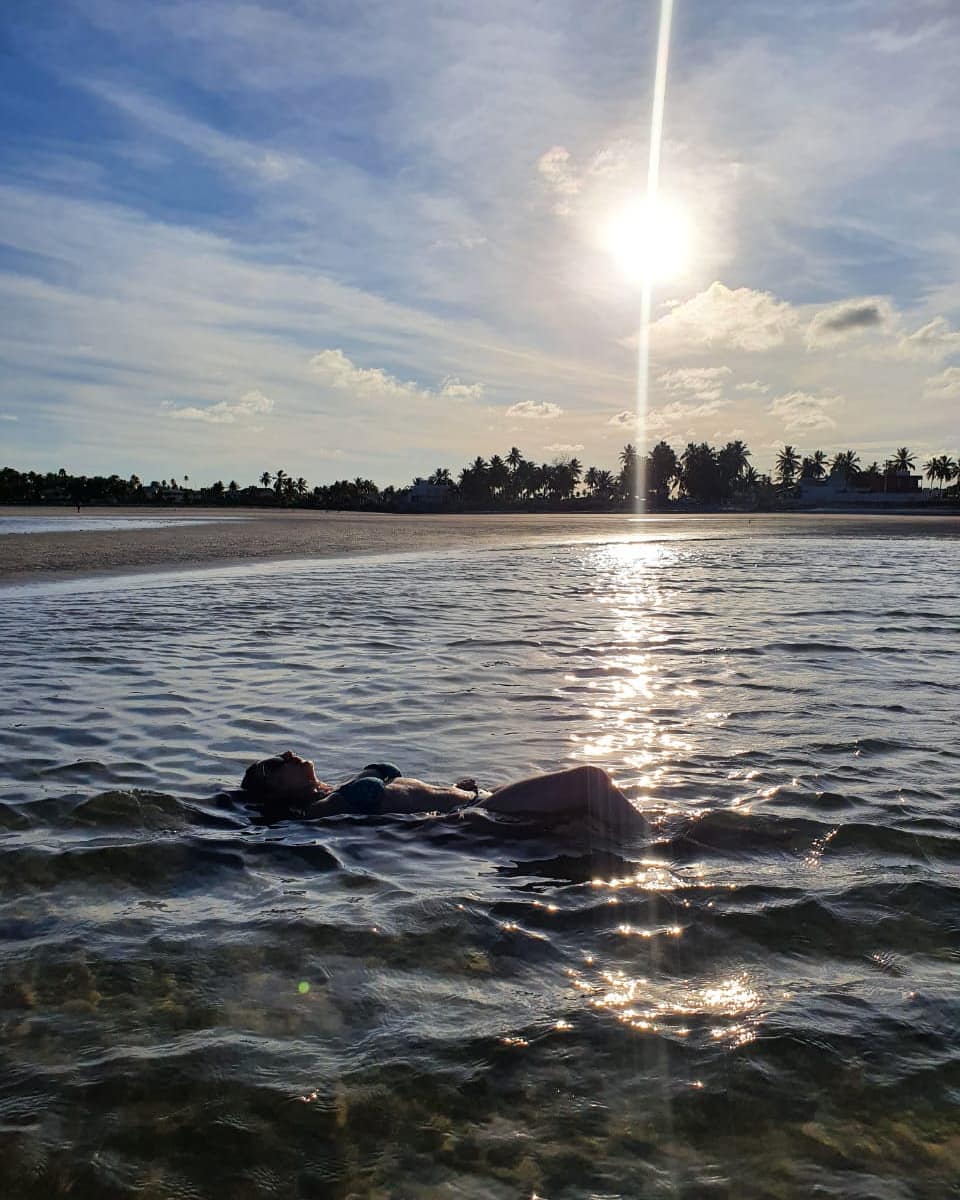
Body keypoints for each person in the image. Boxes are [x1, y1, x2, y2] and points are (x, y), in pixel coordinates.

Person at [239, 751, 641, 830]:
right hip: (478, 818)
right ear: (276, 792)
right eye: (276, 765)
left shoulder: (337, 792)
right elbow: (376, 779)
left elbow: (383, 771)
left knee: (587, 804)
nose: (288, 755)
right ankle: (657, 846)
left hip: (480, 798)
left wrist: (453, 788)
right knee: (589, 781)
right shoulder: (319, 812)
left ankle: (644, 836)